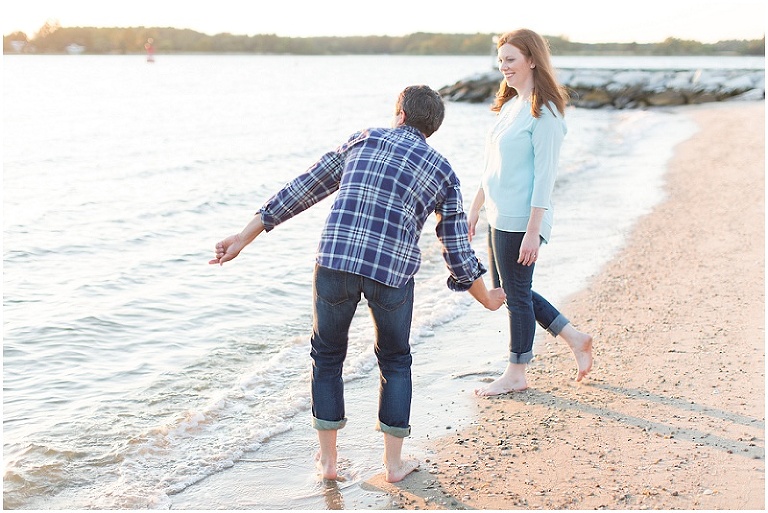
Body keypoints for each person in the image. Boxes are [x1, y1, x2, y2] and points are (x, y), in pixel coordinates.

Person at [209, 85, 506, 483]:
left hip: (336, 262)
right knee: (395, 360)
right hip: (392, 274)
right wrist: (485, 296)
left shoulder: (363, 139)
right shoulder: (443, 171)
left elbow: (303, 188)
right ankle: (394, 465)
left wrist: (243, 238)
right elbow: (455, 247)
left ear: (399, 113)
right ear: (431, 128)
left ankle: (329, 463)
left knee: (327, 357)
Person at [467, 29, 593, 396]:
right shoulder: (510, 107)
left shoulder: (546, 113)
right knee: (511, 290)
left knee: (516, 295)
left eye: (511, 60)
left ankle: (517, 372)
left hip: (523, 218)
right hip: (498, 213)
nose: (503, 67)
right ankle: (575, 338)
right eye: (501, 60)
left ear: (532, 60)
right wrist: (475, 208)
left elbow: (545, 178)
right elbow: (491, 168)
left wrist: (533, 231)